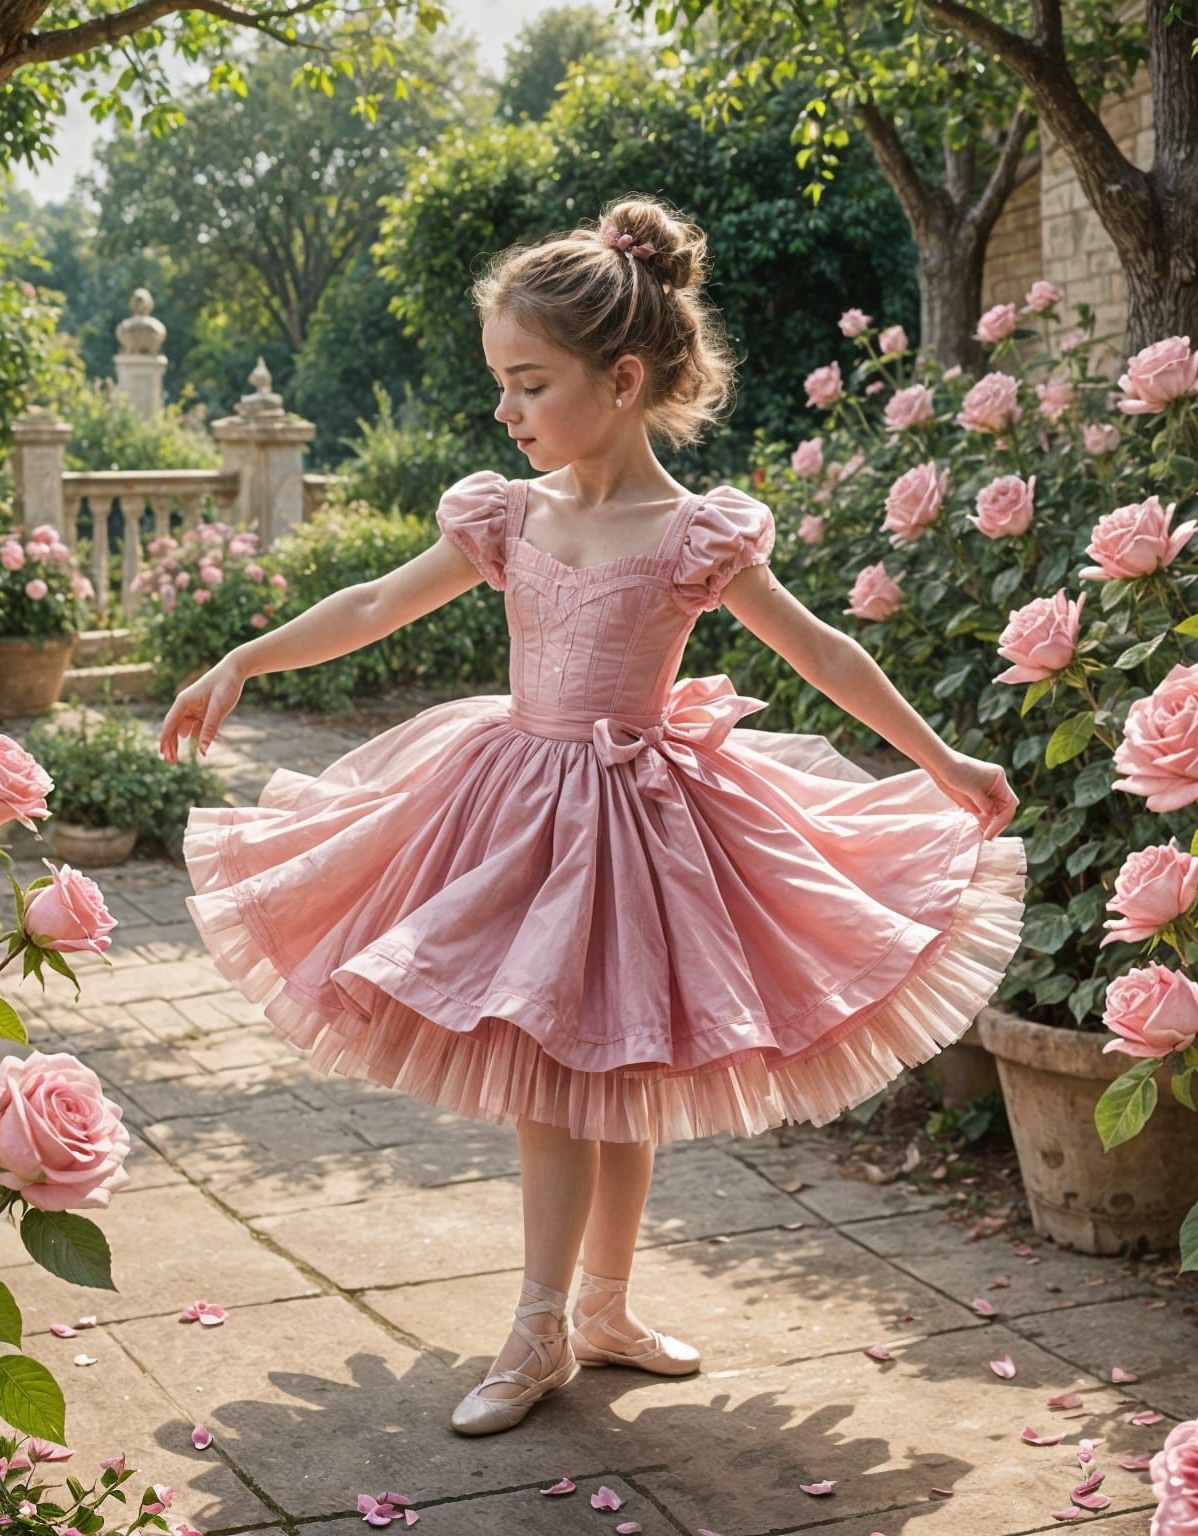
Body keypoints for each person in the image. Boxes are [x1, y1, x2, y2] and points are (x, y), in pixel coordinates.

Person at [159, 194, 1027, 1440]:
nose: (503, 411)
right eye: (499, 385)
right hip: (517, 812)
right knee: (549, 1076)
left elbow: (826, 653)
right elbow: (368, 605)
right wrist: (244, 658)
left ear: (621, 380)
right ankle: (536, 1327)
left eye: (527, 383)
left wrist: (939, 759)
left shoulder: (695, 536)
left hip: (643, 824)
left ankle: (600, 1312)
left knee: (619, 1067)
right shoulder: (510, 516)